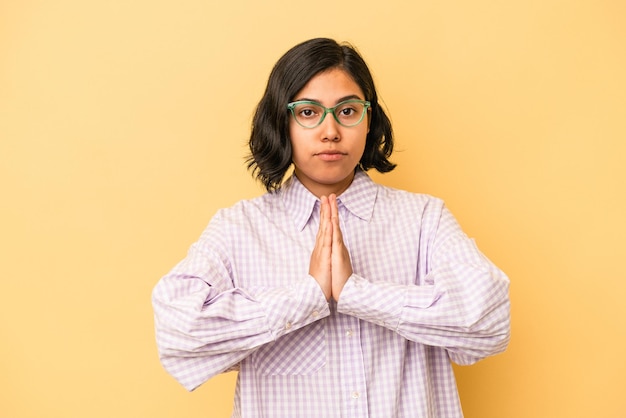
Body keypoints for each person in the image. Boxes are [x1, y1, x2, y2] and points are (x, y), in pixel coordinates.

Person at [152, 37, 510, 417]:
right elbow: (177, 331)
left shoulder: (423, 220)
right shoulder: (239, 229)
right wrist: (305, 297)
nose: (330, 132)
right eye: (308, 112)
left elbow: (489, 320)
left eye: (348, 111)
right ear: (282, 121)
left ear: (368, 120)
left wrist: (358, 294)